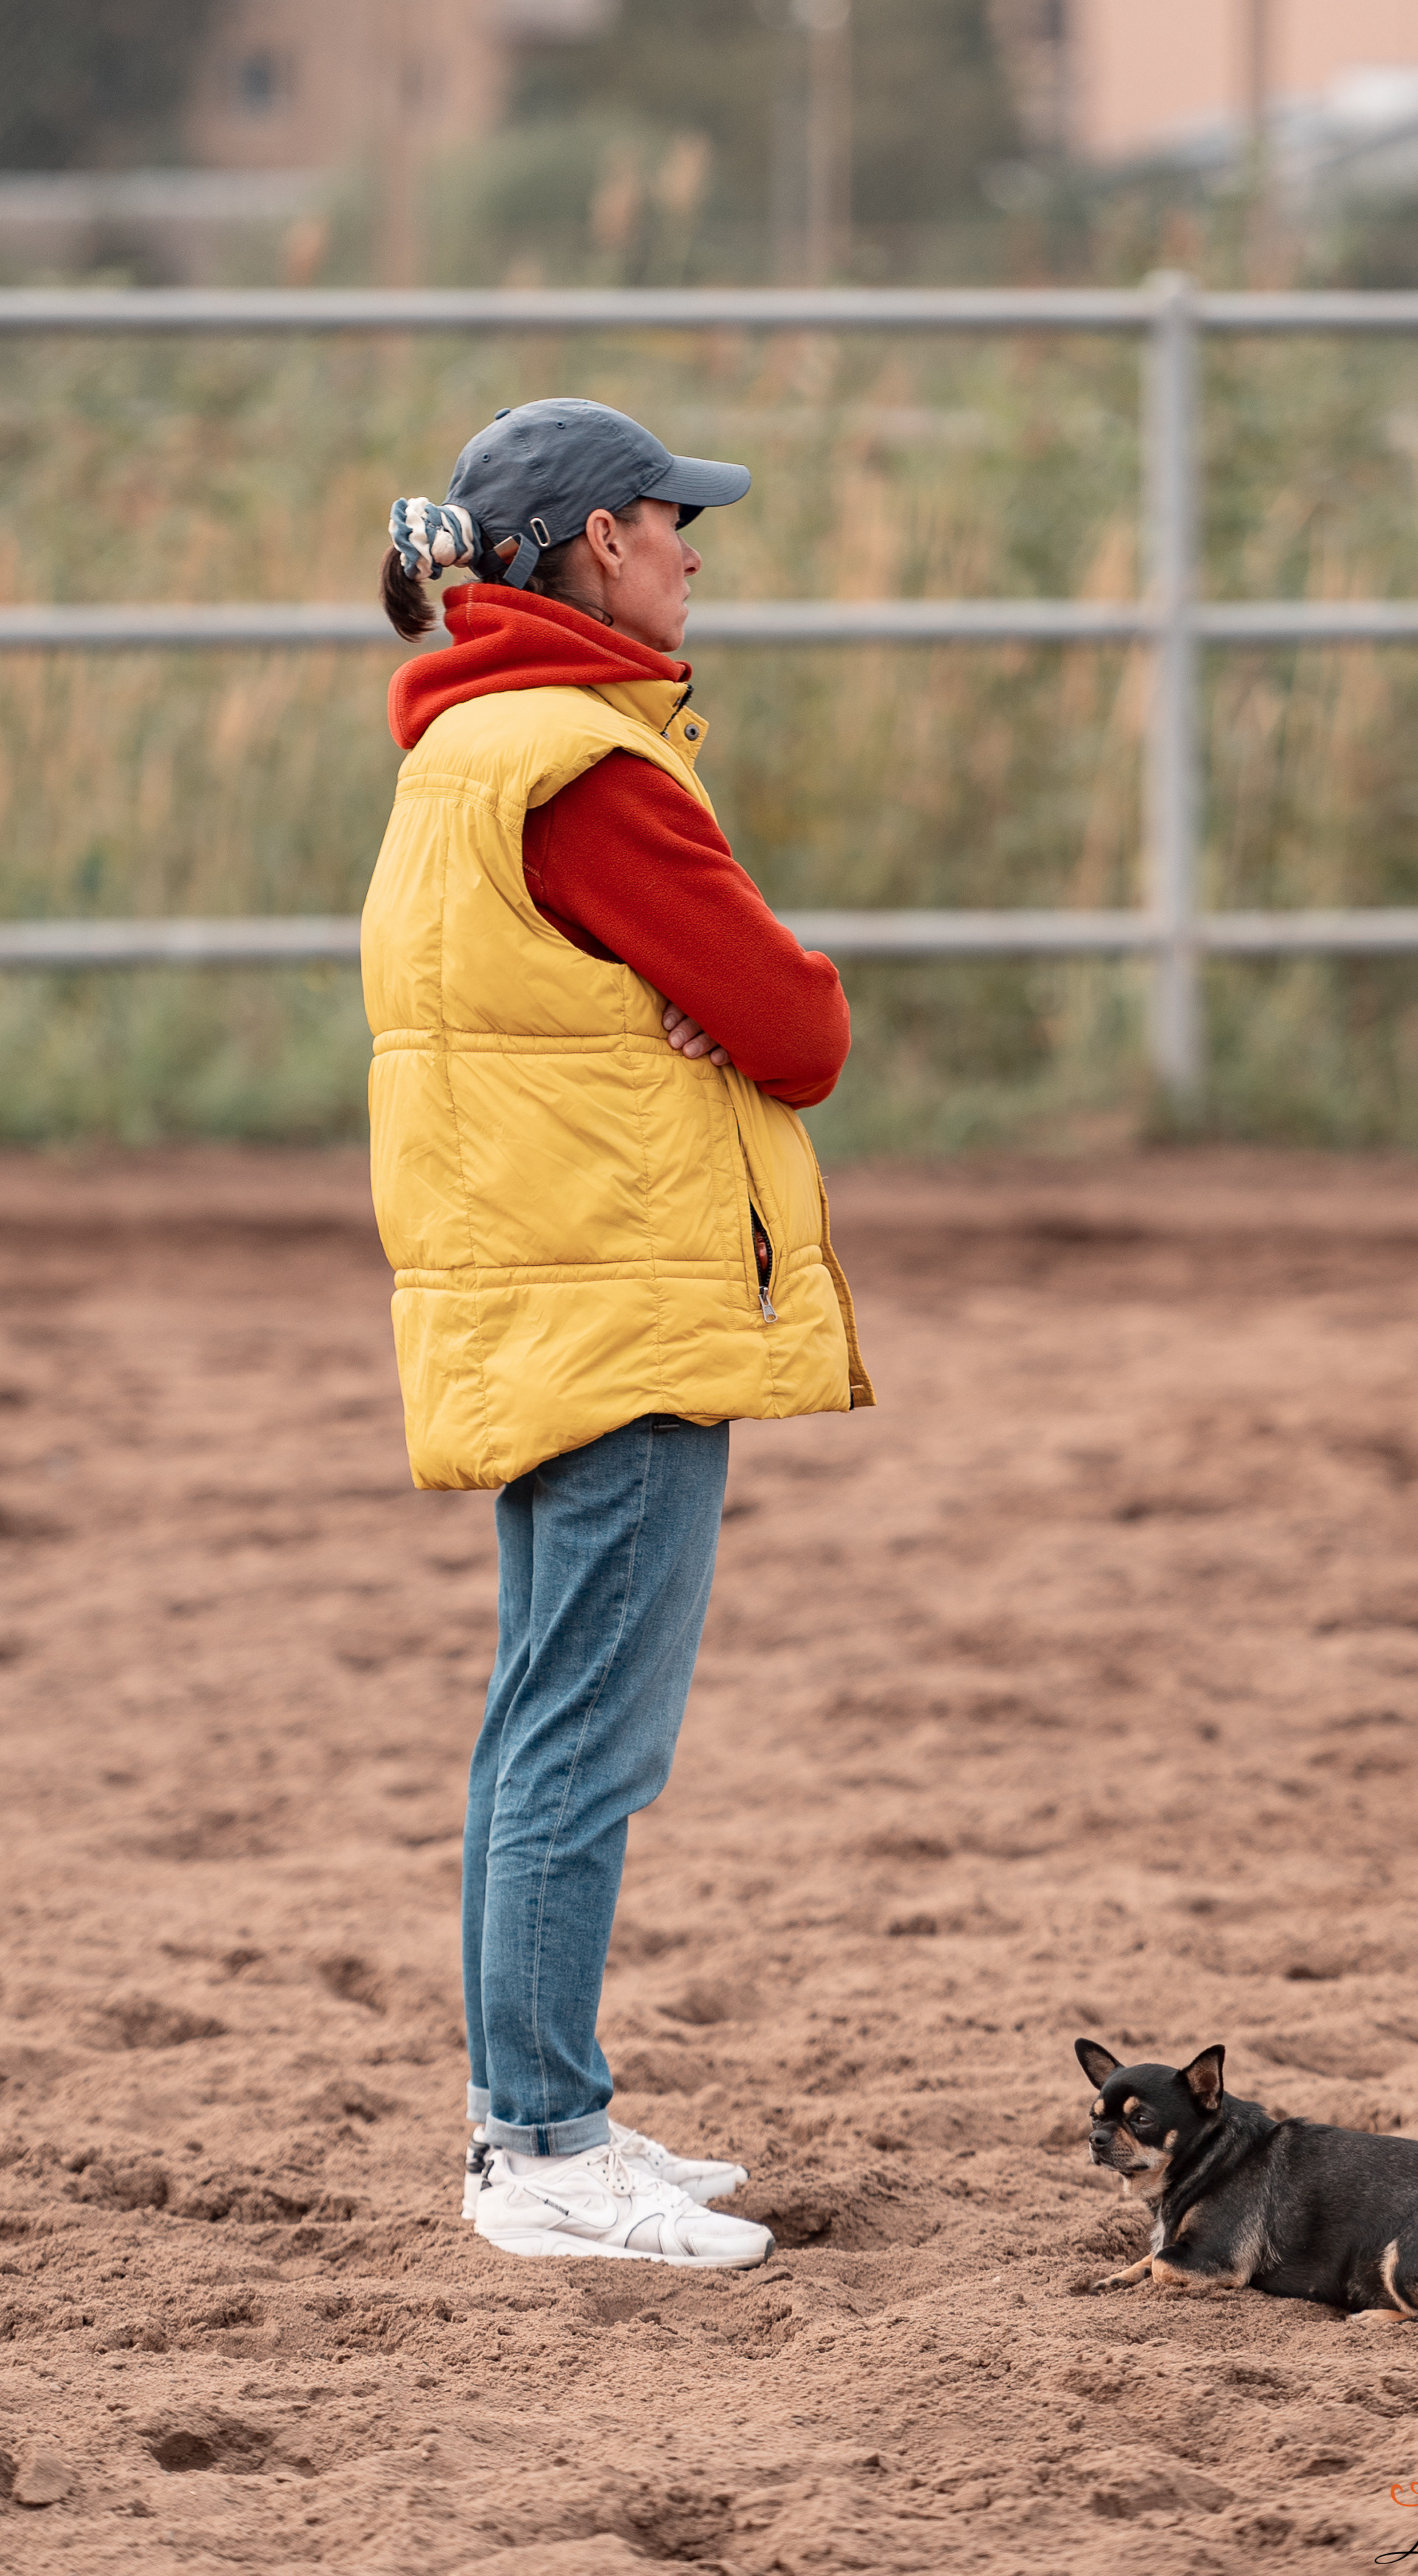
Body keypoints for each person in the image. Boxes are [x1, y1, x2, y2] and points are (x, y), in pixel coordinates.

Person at [365, 397, 873, 2268]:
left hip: (536, 1285)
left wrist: (688, 1006)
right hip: (624, 1294)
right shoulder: (586, 763)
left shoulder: (463, 745)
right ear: (598, 540)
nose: (692, 547)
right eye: (672, 518)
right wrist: (728, 1007)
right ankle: (542, 2145)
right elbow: (801, 1029)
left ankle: (541, 2113)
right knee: (585, 1743)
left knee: (538, 1727)